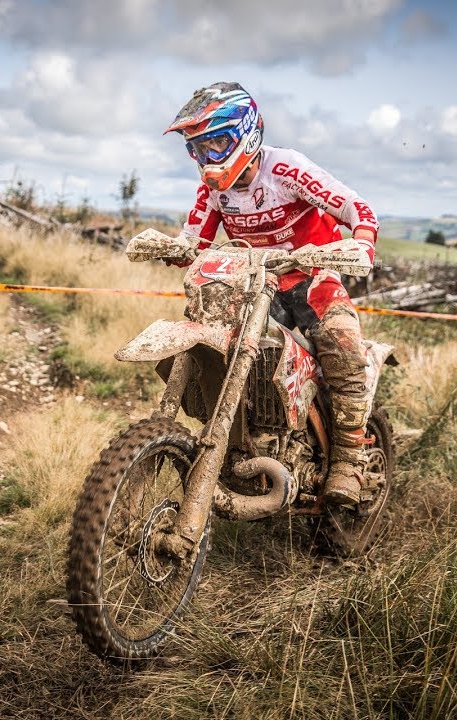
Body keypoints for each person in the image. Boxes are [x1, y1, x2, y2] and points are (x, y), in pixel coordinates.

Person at [163, 81, 381, 506]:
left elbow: (358, 208)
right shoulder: (214, 190)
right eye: (198, 150)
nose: (208, 160)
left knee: (343, 346)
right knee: (213, 344)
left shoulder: (285, 169)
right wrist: (172, 247)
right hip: (252, 288)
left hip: (311, 280)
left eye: (217, 144)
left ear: (248, 133)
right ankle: (240, 440)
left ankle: (349, 461)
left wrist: (361, 242)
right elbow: (195, 239)